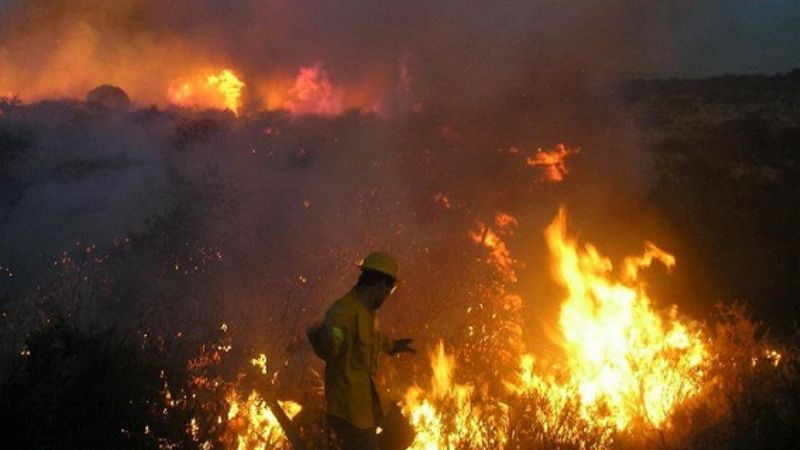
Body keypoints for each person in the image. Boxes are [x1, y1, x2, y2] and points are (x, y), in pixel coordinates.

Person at [308, 251, 415, 450]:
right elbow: (330, 350)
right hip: (349, 409)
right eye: (391, 289)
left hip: (372, 398)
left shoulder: (368, 311)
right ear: (381, 284)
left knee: (403, 433)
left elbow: (373, 337)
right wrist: (322, 338)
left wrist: (392, 346)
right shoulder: (343, 313)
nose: (389, 295)